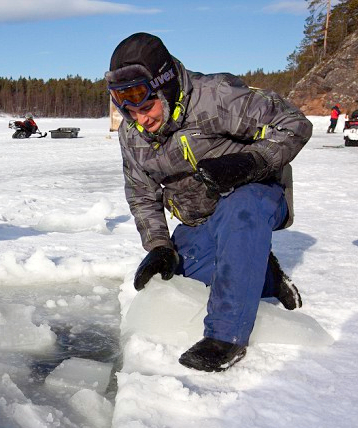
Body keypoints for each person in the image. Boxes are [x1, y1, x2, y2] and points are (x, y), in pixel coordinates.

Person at [106, 33, 313, 372]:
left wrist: (254, 162)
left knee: (242, 207)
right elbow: (141, 193)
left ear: (166, 87)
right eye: (129, 110)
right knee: (184, 281)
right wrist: (159, 246)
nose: (141, 119)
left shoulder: (215, 97)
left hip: (254, 197)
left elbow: (294, 123)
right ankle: (266, 275)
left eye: (146, 107)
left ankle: (226, 337)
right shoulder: (132, 133)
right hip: (199, 220)